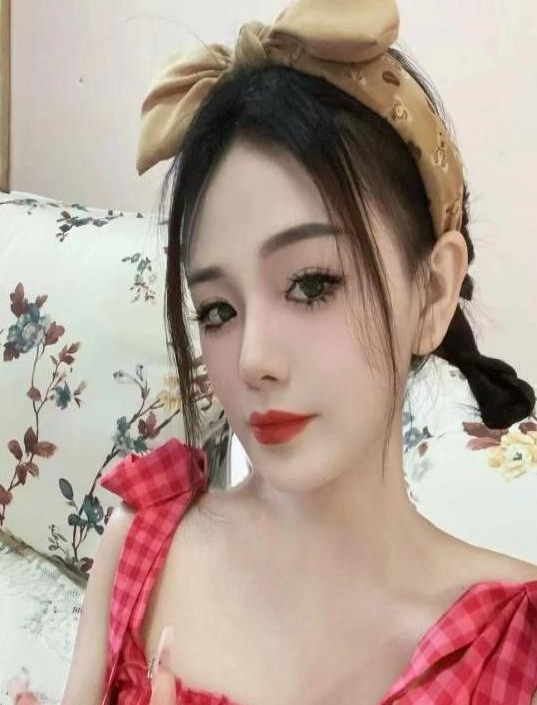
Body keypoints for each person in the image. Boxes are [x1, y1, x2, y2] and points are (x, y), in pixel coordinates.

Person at [61, 0, 537, 703]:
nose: (252, 359)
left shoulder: (513, 646)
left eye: (311, 284)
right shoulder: (140, 543)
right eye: (218, 310)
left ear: (433, 291)